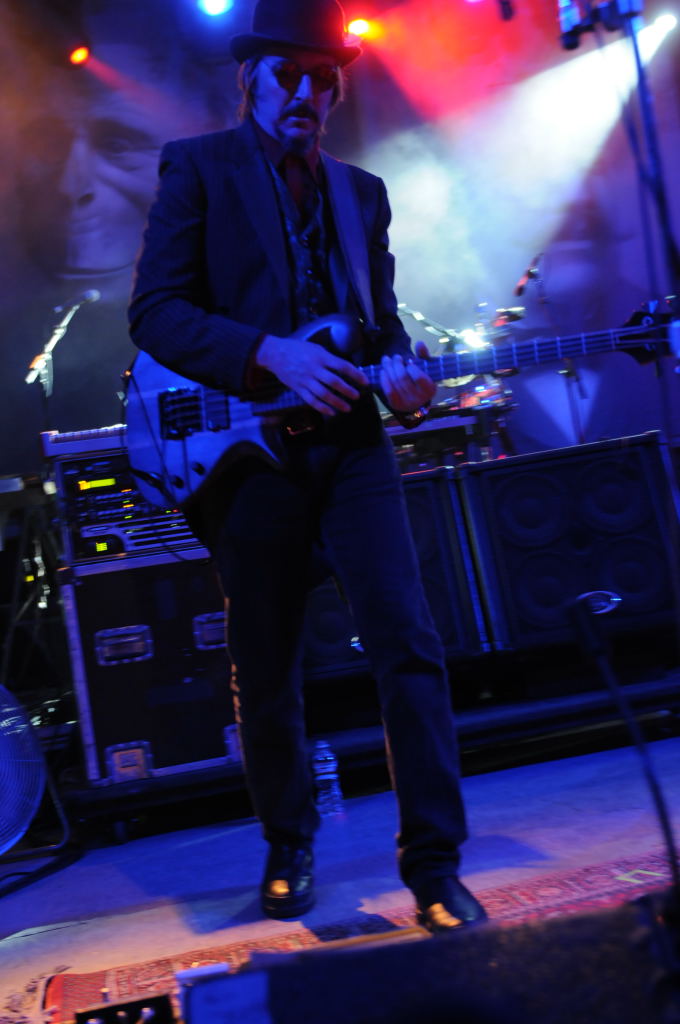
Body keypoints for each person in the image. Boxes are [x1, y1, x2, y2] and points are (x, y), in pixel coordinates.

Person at [128, 0, 487, 934]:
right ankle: (289, 843)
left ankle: (435, 867)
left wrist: (406, 379)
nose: (305, 94)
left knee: (408, 642)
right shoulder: (198, 166)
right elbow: (156, 312)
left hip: (352, 444)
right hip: (248, 452)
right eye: (288, 75)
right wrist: (267, 354)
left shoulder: (361, 192)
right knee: (268, 661)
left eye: (322, 80)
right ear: (249, 79)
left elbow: (382, 327)